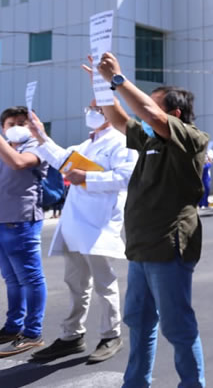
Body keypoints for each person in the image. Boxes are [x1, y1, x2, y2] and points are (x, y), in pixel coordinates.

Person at [96, 52, 208, 388]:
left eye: (153, 105)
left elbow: (150, 114)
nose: (142, 113)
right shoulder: (148, 139)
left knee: (177, 327)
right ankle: (135, 383)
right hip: (141, 248)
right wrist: (102, 87)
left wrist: (118, 80)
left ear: (174, 114)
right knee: (139, 321)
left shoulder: (190, 138)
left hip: (168, 246)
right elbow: (119, 119)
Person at [28, 102, 137, 363]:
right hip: (75, 224)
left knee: (103, 283)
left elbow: (127, 178)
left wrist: (88, 178)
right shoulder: (87, 144)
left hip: (98, 224)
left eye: (97, 108)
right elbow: (61, 159)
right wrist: (40, 136)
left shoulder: (122, 142)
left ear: (111, 111)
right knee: (76, 283)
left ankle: (111, 335)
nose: (90, 112)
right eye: (89, 107)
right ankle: (72, 335)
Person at [0, 106, 47, 357]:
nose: (17, 127)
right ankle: (13, 327)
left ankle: (33, 333)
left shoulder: (37, 146)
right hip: (2, 220)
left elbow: (18, 163)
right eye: (11, 123)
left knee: (30, 278)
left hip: (21, 220)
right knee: (12, 279)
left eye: (22, 122)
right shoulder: (5, 147)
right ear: (3, 127)